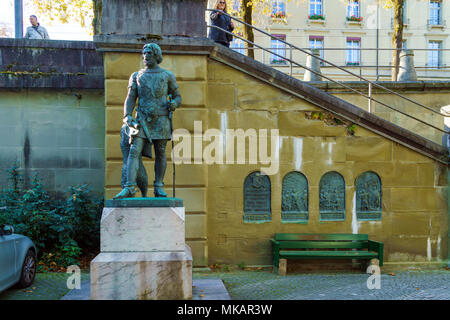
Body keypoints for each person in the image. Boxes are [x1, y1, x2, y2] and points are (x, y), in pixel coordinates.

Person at [114, 43, 181, 199]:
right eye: (144, 53)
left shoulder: (167, 75)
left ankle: (159, 186)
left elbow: (177, 96)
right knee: (134, 150)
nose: (145, 56)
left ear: (156, 55)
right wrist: (127, 115)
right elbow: (130, 98)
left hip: (161, 118)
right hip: (141, 119)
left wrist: (174, 104)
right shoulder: (136, 76)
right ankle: (130, 187)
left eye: (149, 53)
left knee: (161, 152)